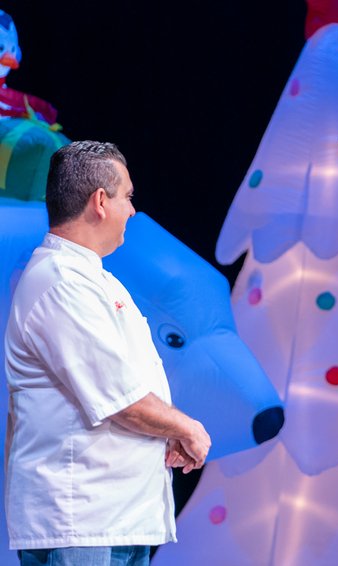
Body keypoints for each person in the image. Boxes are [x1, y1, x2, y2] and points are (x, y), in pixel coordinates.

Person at [4, 141, 211, 566]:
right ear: (100, 201)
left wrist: (165, 429)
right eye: (127, 197)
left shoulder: (96, 281)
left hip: (116, 517)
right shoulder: (61, 283)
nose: (132, 211)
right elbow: (119, 398)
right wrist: (186, 427)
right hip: (81, 523)